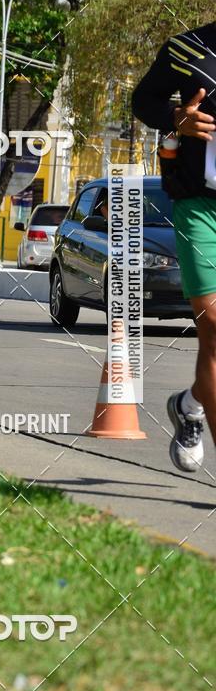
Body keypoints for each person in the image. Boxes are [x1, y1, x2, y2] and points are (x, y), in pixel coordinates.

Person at [131, 23, 216, 473]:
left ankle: (189, 404)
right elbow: (143, 101)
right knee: (215, 325)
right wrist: (177, 119)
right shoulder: (189, 48)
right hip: (201, 203)